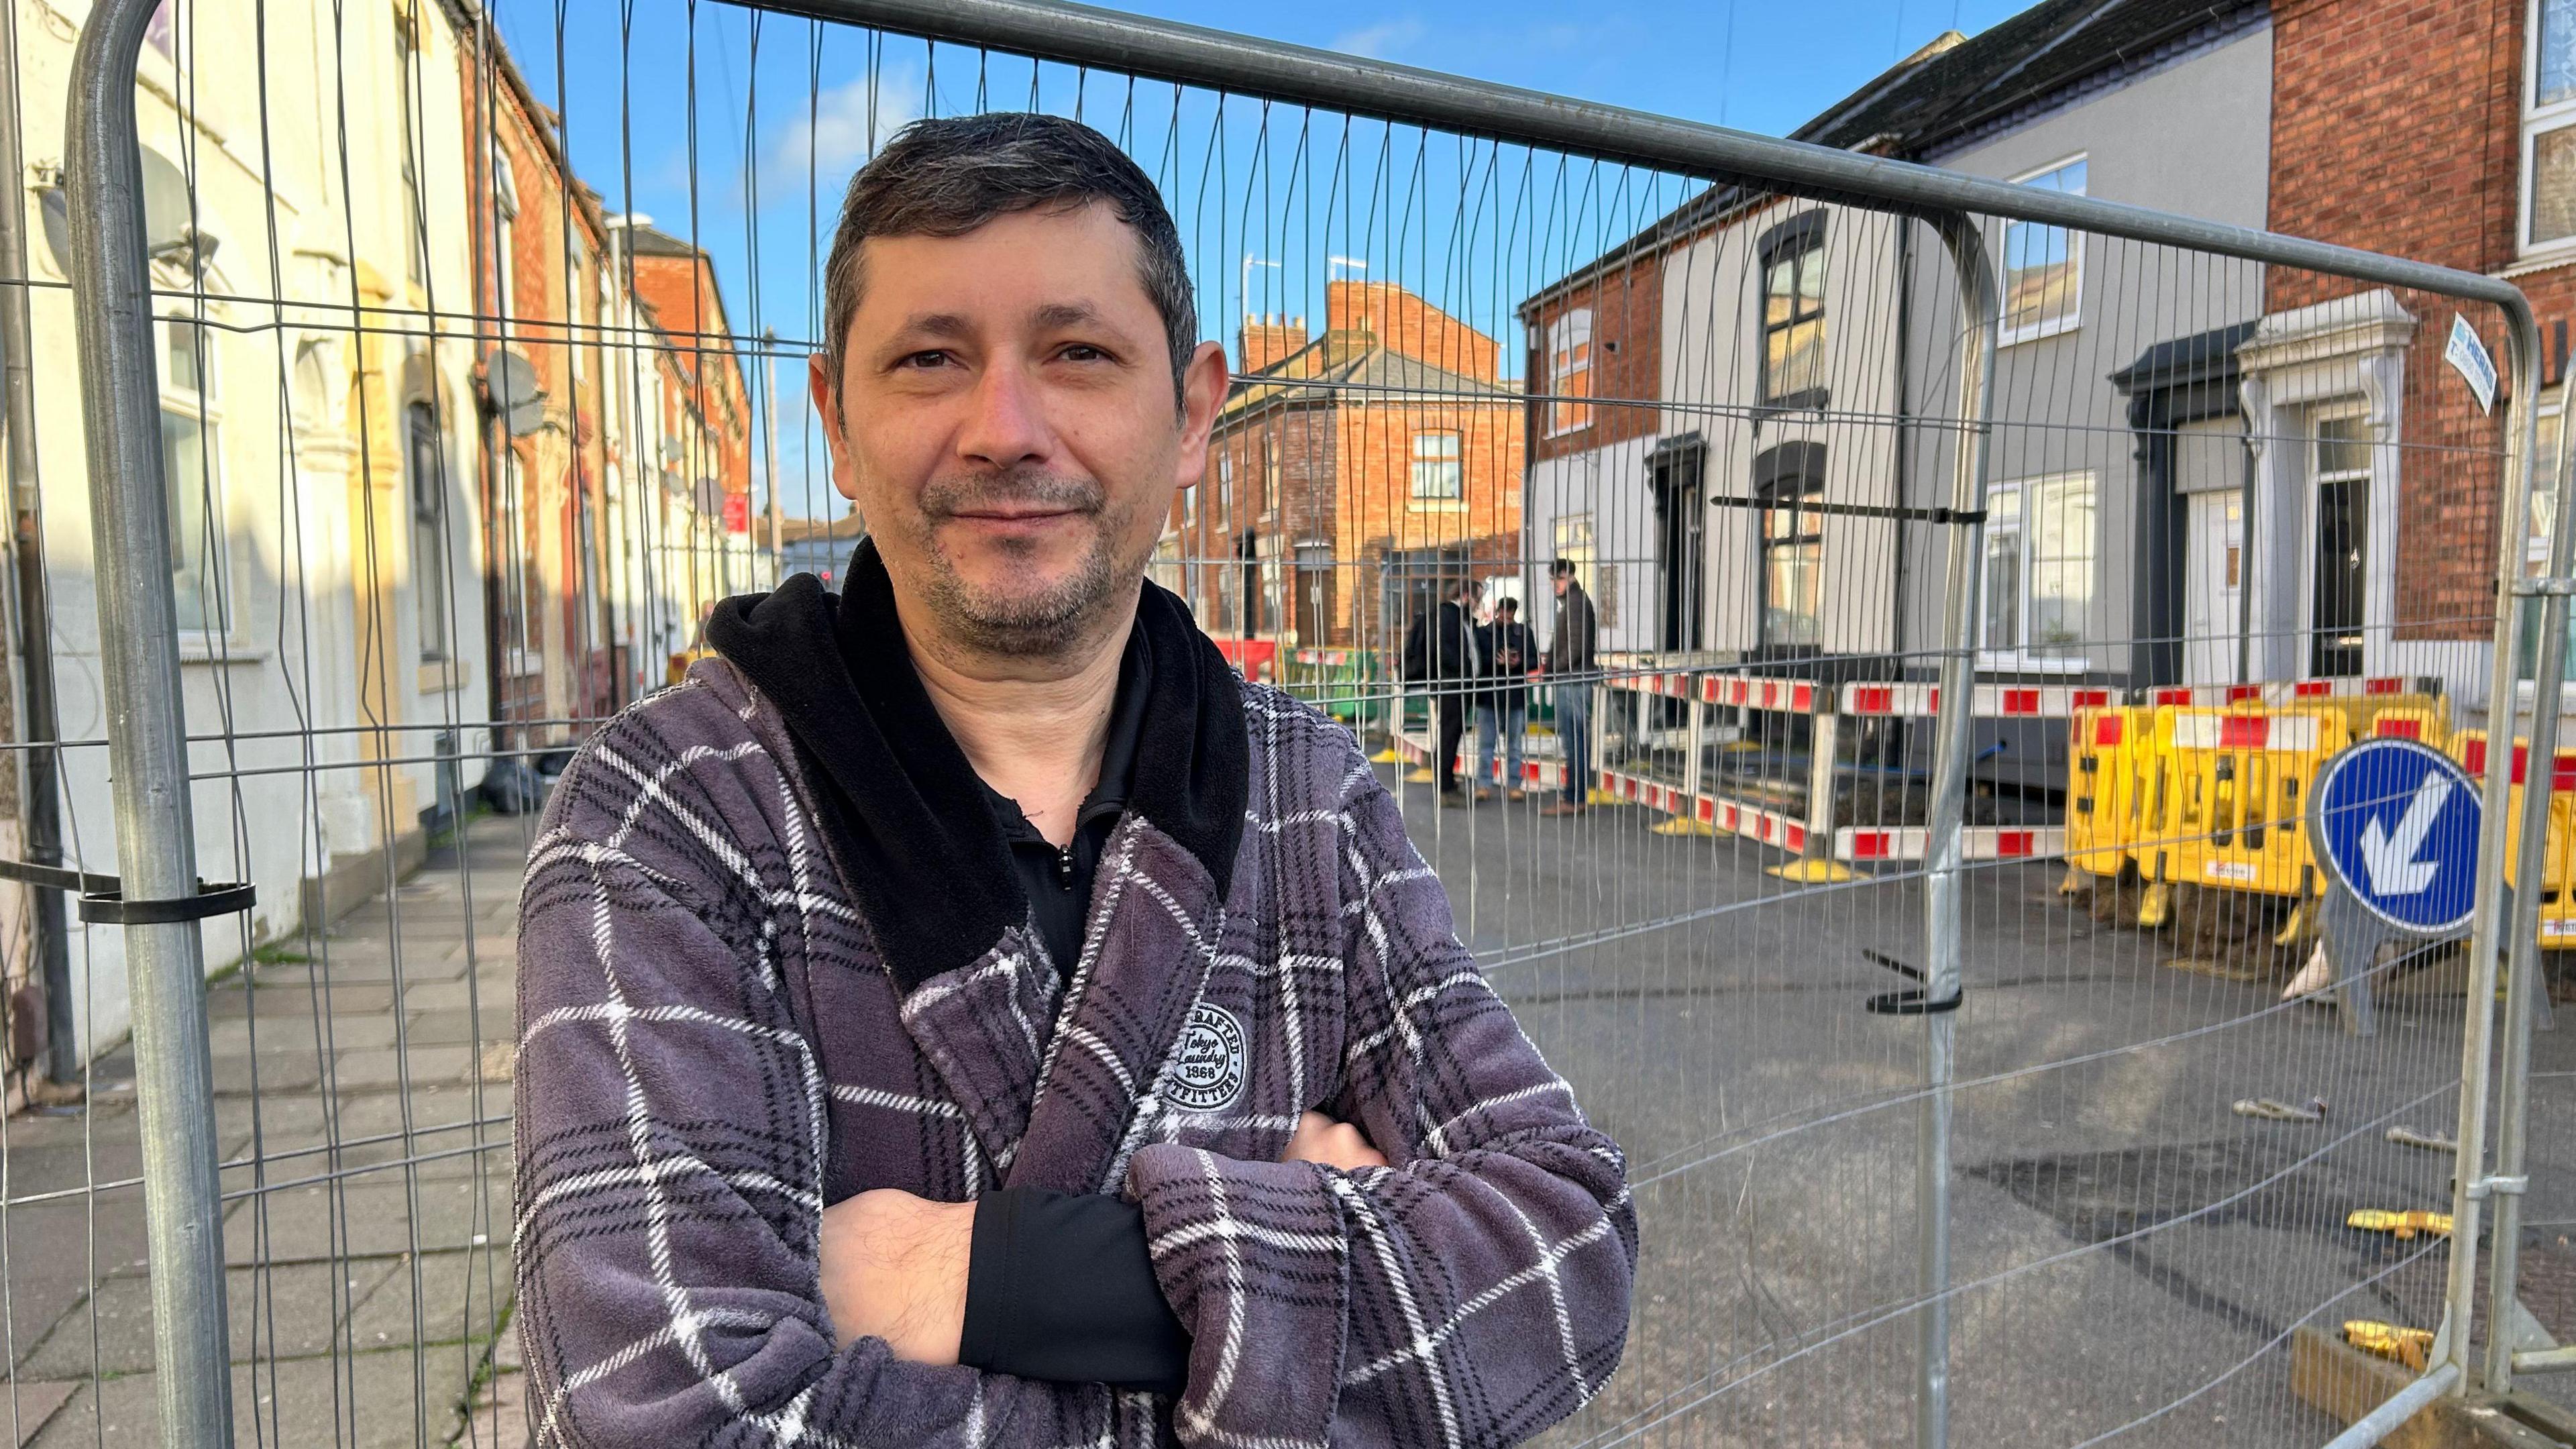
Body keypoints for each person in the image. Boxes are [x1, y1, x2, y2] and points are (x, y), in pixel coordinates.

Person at [511, 113, 1633, 1449]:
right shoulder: (673, 818)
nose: (1005, 426)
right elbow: (670, 1416)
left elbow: (1568, 1254)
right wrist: (1298, 1248)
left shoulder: (1310, 794)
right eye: (930, 358)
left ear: (1194, 413)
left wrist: (985, 1277)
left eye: (1079, 354)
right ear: (835, 420)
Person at [1402, 574, 1481, 802]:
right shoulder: (1448, 616)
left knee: (1452, 734)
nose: (1478, 605)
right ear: (1466, 596)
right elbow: (1443, 650)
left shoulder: (1459, 618)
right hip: (1451, 685)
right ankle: (1444, 786)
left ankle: (1448, 781)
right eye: (1477, 599)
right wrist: (1462, 670)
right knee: (1448, 735)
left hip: (1459, 685)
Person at [1542, 557, 1599, 816]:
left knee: (1574, 740)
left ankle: (1573, 799)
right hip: (1573, 677)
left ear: (1568, 576)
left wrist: (1554, 669)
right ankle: (1576, 797)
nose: (1555, 584)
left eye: (1558, 579)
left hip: (1573, 679)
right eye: (1553, 580)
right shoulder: (1574, 602)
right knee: (1576, 740)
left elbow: (1576, 647)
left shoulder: (1575, 604)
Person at [1475, 595, 1536, 801]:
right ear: (1498, 611)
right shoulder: (1483, 633)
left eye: (1511, 613)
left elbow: (1533, 659)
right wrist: (1496, 662)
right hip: (1489, 694)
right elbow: (1476, 662)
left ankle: (1514, 784)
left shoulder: (1524, 633)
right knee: (1486, 744)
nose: (1508, 617)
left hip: (1514, 694)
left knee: (1515, 744)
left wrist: (1518, 663)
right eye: (1505, 612)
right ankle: (1483, 785)